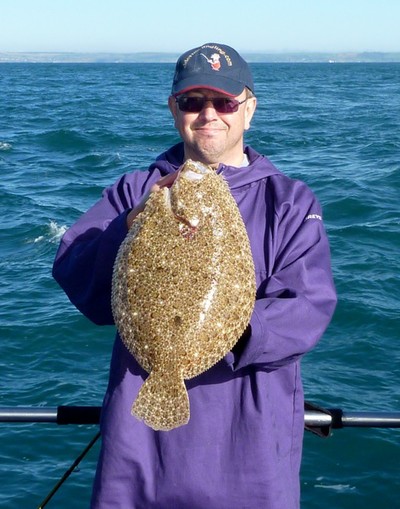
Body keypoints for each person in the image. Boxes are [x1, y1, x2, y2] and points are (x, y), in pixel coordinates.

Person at [53, 42, 337, 509]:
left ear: (248, 109)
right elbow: (77, 277)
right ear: (173, 109)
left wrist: (223, 329)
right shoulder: (134, 191)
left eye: (224, 102)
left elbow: (309, 306)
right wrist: (128, 228)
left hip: (251, 452)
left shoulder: (289, 202)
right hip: (138, 453)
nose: (209, 114)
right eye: (192, 102)